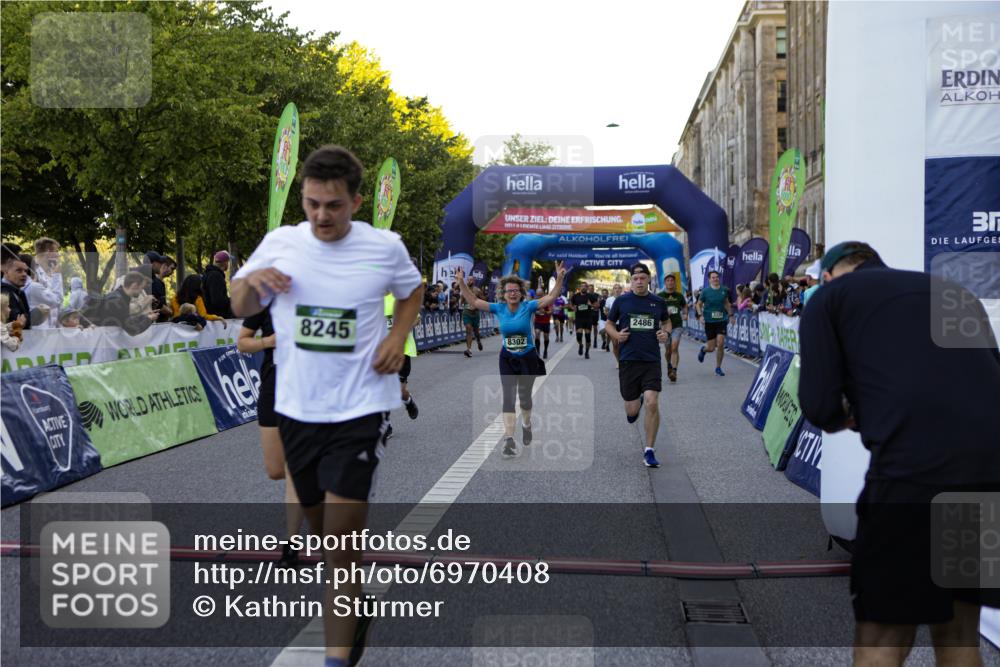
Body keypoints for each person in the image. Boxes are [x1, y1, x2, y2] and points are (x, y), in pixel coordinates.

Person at [230, 144, 423, 667]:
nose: (320, 215)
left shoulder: (385, 247)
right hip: (297, 408)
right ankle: (353, 604)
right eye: (312, 203)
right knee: (318, 529)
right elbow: (239, 306)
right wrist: (253, 284)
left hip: (360, 406)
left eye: (332, 205)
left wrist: (397, 336)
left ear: (357, 201)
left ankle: (336, 655)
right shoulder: (282, 242)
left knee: (341, 546)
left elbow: (412, 292)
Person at [798, 241, 1000, 667]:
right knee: (961, 637)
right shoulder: (951, 291)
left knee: (882, 640)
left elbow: (819, 407)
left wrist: (853, 415)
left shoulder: (829, 299)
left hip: (913, 476)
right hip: (988, 473)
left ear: (829, 275)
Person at [454, 262, 566, 459]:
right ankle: (509, 440)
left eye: (515, 291)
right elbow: (473, 301)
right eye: (508, 291)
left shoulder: (528, 306)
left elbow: (551, 297)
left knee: (524, 399)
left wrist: (560, 278)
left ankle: (526, 424)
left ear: (521, 293)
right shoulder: (499, 308)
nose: (512, 294)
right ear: (503, 294)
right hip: (507, 357)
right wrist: (462, 282)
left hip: (528, 357)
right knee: (508, 397)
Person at [237, 305, 304, 568]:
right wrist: (268, 341)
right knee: (276, 469)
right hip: (273, 385)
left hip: (307, 385)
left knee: (294, 469)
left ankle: (291, 545)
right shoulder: (265, 300)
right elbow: (242, 343)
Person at [606, 263, 671, 468]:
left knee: (652, 402)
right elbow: (609, 323)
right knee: (632, 412)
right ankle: (637, 401)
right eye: (635, 278)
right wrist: (616, 335)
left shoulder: (658, 302)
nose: (639, 281)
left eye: (643, 277)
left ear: (649, 279)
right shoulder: (622, 301)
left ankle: (649, 451)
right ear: (631, 280)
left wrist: (666, 333)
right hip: (628, 360)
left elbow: (667, 322)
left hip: (651, 359)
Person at [383, 289, 420, 440]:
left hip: (402, 350)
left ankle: (408, 400)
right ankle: (386, 426)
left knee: (398, 391)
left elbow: (417, 318)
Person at [695, 270, 734, 376]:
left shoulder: (724, 290)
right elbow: (698, 304)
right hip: (709, 321)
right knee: (711, 348)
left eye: (717, 277)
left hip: (721, 320)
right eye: (713, 277)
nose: (715, 279)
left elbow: (726, 303)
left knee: (720, 343)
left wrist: (730, 315)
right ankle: (704, 350)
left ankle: (718, 367)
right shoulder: (705, 291)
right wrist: (700, 315)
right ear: (709, 280)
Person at [657, 274, 687, 383]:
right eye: (668, 281)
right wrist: (663, 312)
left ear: (674, 283)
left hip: (677, 325)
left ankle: (674, 370)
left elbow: (684, 306)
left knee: (674, 347)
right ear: (665, 283)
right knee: (668, 350)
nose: (670, 282)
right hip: (665, 326)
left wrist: (685, 313)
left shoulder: (679, 296)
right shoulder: (659, 296)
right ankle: (669, 365)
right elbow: (655, 309)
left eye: (672, 281)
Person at [32, 238, 64, 327]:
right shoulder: (33, 273)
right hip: (39, 328)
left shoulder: (51, 272)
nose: (58, 255)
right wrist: (57, 276)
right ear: (48, 252)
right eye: (56, 251)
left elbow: (59, 305)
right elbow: (57, 299)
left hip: (53, 328)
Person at [1, 256, 33, 330]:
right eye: (19, 271)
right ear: (6, 272)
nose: (24, 274)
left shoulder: (18, 292)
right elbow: (16, 320)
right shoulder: (4, 292)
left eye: (26, 271)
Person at [203, 250, 233, 318]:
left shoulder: (209, 274)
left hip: (213, 316)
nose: (228, 264)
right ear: (225, 262)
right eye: (228, 262)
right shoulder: (216, 276)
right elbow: (217, 301)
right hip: (218, 318)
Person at [461, 276, 484, 358]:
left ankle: (478, 340)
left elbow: (483, 300)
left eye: (471, 280)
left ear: (474, 281)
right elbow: (461, 302)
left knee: (476, 332)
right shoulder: (464, 290)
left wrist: (476, 305)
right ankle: (469, 349)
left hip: (475, 314)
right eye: (468, 280)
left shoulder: (477, 290)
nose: (469, 281)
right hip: (466, 313)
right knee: (468, 329)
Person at [570, 282, 595, 359]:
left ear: (587, 288)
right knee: (579, 336)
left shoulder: (590, 296)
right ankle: (581, 345)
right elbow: (570, 304)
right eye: (582, 286)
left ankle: (587, 352)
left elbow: (597, 305)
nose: (583, 287)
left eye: (585, 286)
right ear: (580, 287)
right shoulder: (575, 296)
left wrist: (591, 305)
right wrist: (573, 308)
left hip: (588, 318)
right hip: (579, 318)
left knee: (587, 337)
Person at [605, 284, 624, 368]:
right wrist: (610, 316)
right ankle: (618, 361)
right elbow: (606, 311)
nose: (617, 290)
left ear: (621, 290)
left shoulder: (625, 298)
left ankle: (624, 360)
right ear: (613, 290)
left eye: (619, 288)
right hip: (613, 324)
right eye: (615, 288)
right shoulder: (609, 300)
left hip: (623, 323)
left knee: (623, 344)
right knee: (615, 344)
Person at [532, 288, 552, 360]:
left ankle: (545, 350)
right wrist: (536, 312)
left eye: (540, 295)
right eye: (538, 295)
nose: (539, 296)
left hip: (546, 322)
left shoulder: (547, 301)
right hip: (538, 321)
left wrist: (545, 312)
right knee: (537, 334)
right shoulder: (534, 301)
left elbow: (550, 311)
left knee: (546, 337)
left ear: (543, 294)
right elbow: (531, 310)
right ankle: (537, 351)